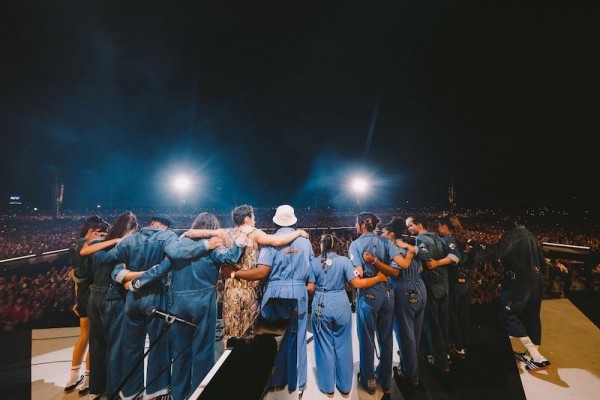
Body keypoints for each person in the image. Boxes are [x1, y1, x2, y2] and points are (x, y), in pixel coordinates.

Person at [126, 212, 248, 400]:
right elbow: (230, 258)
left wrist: (137, 283)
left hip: (178, 302)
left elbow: (160, 269)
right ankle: (199, 395)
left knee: (180, 353)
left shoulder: (179, 245)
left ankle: (178, 395)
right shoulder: (212, 244)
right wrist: (241, 240)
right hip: (203, 300)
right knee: (202, 351)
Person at [102, 214, 223, 400]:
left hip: (134, 297)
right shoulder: (169, 238)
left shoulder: (130, 240)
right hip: (159, 298)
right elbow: (175, 256)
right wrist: (210, 244)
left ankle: (132, 393)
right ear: (166, 227)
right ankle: (158, 392)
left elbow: (110, 262)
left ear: (151, 223)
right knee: (165, 348)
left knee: (132, 347)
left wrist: (134, 281)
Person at [184, 204, 309, 348]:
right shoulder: (255, 233)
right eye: (253, 217)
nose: (255, 221)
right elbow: (277, 241)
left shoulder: (225, 232)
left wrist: (187, 233)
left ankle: (229, 365)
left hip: (231, 293)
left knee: (231, 334)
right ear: (248, 218)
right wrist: (298, 232)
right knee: (249, 336)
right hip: (249, 292)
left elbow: (200, 232)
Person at [310, 233, 387, 398]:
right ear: (336, 246)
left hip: (321, 304)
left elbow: (310, 287)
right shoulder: (344, 261)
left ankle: (327, 386)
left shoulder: (314, 262)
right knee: (343, 344)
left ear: (321, 245)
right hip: (341, 305)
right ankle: (344, 386)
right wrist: (378, 278)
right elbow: (357, 284)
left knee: (324, 345)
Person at [349, 212, 417, 399]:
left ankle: (369, 381)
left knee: (367, 339)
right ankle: (386, 380)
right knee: (386, 339)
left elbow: (359, 274)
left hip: (369, 295)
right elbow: (398, 269)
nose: (355, 226)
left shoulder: (355, 245)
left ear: (363, 224)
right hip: (388, 294)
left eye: (356, 223)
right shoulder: (387, 242)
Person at [473, 215, 551, 370]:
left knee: (508, 314)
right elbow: (542, 260)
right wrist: (542, 278)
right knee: (533, 316)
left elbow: (496, 253)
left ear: (513, 222)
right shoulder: (530, 234)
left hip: (521, 281)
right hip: (537, 280)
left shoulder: (512, 235)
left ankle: (536, 356)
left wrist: (476, 248)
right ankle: (533, 354)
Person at [255, 205, 314, 398]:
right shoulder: (305, 241)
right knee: (297, 339)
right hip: (298, 292)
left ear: (275, 221)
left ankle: (272, 381)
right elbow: (311, 269)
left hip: (275, 291)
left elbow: (263, 270)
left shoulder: (270, 241)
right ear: (294, 220)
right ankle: (297, 384)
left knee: (272, 339)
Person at [79, 211, 139, 400]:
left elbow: (84, 252)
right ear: (133, 229)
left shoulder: (98, 242)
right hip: (112, 298)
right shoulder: (124, 245)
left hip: (94, 297)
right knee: (114, 347)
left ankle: (96, 390)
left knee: (97, 345)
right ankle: (113, 392)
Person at [406, 215, 459, 373]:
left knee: (432, 323)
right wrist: (439, 263)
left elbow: (423, 254)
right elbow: (455, 257)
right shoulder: (440, 239)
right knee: (444, 320)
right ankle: (446, 352)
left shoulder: (420, 239)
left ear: (419, 225)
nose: (408, 229)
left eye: (410, 226)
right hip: (444, 285)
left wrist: (413, 250)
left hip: (431, 285)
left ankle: (440, 360)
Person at [65, 216, 110, 395]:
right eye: (101, 233)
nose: (103, 236)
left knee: (84, 336)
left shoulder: (75, 246)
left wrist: (77, 300)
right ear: (92, 231)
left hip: (83, 296)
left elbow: (76, 278)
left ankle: (73, 377)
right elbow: (85, 274)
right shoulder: (92, 246)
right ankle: (89, 378)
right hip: (95, 293)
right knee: (95, 339)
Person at [379, 217, 426, 388]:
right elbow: (421, 266)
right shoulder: (410, 243)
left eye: (383, 232)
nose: (381, 235)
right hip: (420, 287)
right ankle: (410, 365)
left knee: (405, 335)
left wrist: (377, 265)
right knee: (415, 333)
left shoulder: (394, 247)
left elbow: (395, 272)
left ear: (391, 234)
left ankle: (411, 375)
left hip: (404, 290)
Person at [438, 216, 473, 359]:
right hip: (467, 282)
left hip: (455, 283)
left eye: (439, 226)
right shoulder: (465, 241)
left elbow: (455, 259)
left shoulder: (448, 241)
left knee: (452, 314)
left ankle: (458, 346)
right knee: (463, 315)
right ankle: (465, 344)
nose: (438, 229)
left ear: (446, 227)